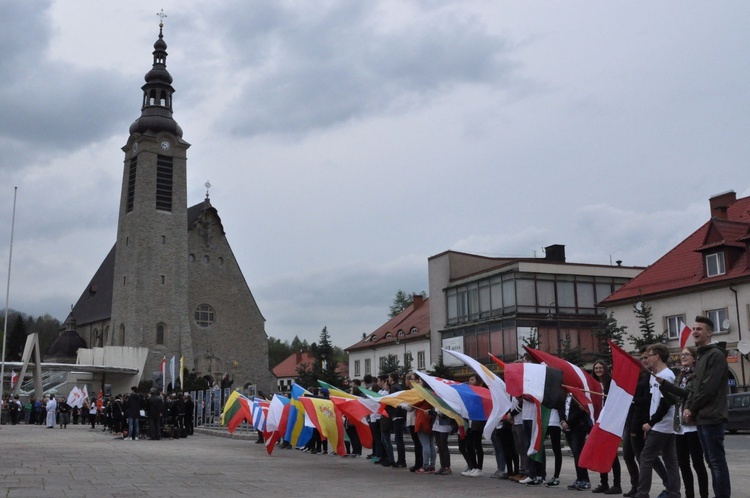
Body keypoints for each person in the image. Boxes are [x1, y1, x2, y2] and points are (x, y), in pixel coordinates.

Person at [684, 316, 730, 498]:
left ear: (709, 333)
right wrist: (688, 407)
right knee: (711, 462)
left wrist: (692, 408)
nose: (695, 331)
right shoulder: (701, 355)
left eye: (700, 329)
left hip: (712, 416)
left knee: (717, 462)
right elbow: (694, 386)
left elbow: (708, 388)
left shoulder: (715, 355)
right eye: (694, 329)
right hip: (701, 417)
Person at [658, 346, 709, 498]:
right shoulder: (681, 374)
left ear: (694, 358)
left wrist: (666, 384)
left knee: (698, 464)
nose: (683, 357)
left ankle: (704, 495)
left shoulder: (696, 374)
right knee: (683, 464)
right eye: (681, 355)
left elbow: (686, 393)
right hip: (680, 426)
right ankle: (689, 495)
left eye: (686, 354)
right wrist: (662, 389)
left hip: (692, 425)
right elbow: (676, 400)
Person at [637, 343, 680, 498]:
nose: (647, 358)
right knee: (670, 460)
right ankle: (673, 492)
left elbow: (666, 403)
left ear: (657, 356)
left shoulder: (666, 375)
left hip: (662, 425)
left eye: (650, 355)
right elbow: (653, 401)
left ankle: (642, 493)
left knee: (646, 458)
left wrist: (651, 423)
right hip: (663, 425)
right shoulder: (655, 375)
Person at [591, 360, 623, 495]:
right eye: (596, 368)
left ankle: (617, 484)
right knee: (601, 453)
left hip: (610, 422)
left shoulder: (611, 383)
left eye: (600, 367)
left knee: (612, 454)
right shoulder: (593, 384)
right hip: (598, 421)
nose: (598, 370)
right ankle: (604, 482)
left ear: (605, 368)